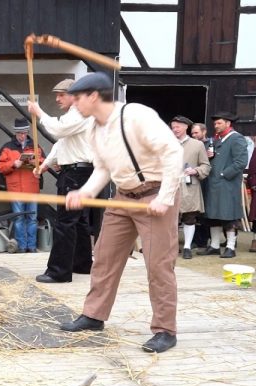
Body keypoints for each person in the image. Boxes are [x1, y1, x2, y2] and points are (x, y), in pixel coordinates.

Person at [58, 72, 183, 354]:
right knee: (103, 257)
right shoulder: (93, 129)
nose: (73, 103)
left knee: (158, 265)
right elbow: (103, 168)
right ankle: (94, 316)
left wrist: (164, 197)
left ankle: (165, 329)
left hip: (155, 192)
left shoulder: (136, 115)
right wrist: (85, 193)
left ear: (93, 96)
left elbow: (173, 152)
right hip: (124, 197)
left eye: (77, 98)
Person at [28, 78, 95, 282]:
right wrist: (46, 164)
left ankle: (59, 272)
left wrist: (38, 112)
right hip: (77, 172)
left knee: (65, 222)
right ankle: (82, 264)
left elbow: (57, 130)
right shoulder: (73, 117)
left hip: (76, 174)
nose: (57, 98)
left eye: (61, 94)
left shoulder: (80, 113)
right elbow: (61, 144)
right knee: (79, 220)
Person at [196, 112, 248, 259]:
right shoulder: (216, 139)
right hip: (212, 183)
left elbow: (241, 162)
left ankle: (230, 247)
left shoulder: (236, 138)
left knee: (228, 215)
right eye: (215, 123)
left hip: (227, 184)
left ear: (228, 123)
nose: (216, 126)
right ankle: (214, 246)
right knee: (213, 215)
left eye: (219, 123)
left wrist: (224, 174)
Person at [0, 118, 45, 253]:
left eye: (25, 132)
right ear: (15, 133)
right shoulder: (7, 147)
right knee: (18, 218)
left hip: (32, 187)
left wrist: (36, 163)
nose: (23, 135)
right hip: (16, 188)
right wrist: (13, 164)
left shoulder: (35, 146)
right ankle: (22, 247)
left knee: (32, 218)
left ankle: (32, 246)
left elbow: (45, 163)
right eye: (20, 133)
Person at [170, 115, 210, 259]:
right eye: (173, 127)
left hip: (190, 186)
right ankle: (171, 247)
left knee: (189, 217)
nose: (175, 129)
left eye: (178, 127)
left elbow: (206, 165)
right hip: (170, 185)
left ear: (186, 127)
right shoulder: (167, 143)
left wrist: (196, 170)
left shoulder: (197, 145)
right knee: (170, 219)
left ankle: (187, 247)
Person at [190, 123, 212, 248]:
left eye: (196, 133)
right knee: (195, 213)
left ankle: (204, 240)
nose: (194, 135)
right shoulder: (190, 145)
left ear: (204, 132)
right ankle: (196, 240)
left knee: (207, 212)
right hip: (194, 181)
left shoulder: (211, 145)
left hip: (207, 182)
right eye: (192, 133)